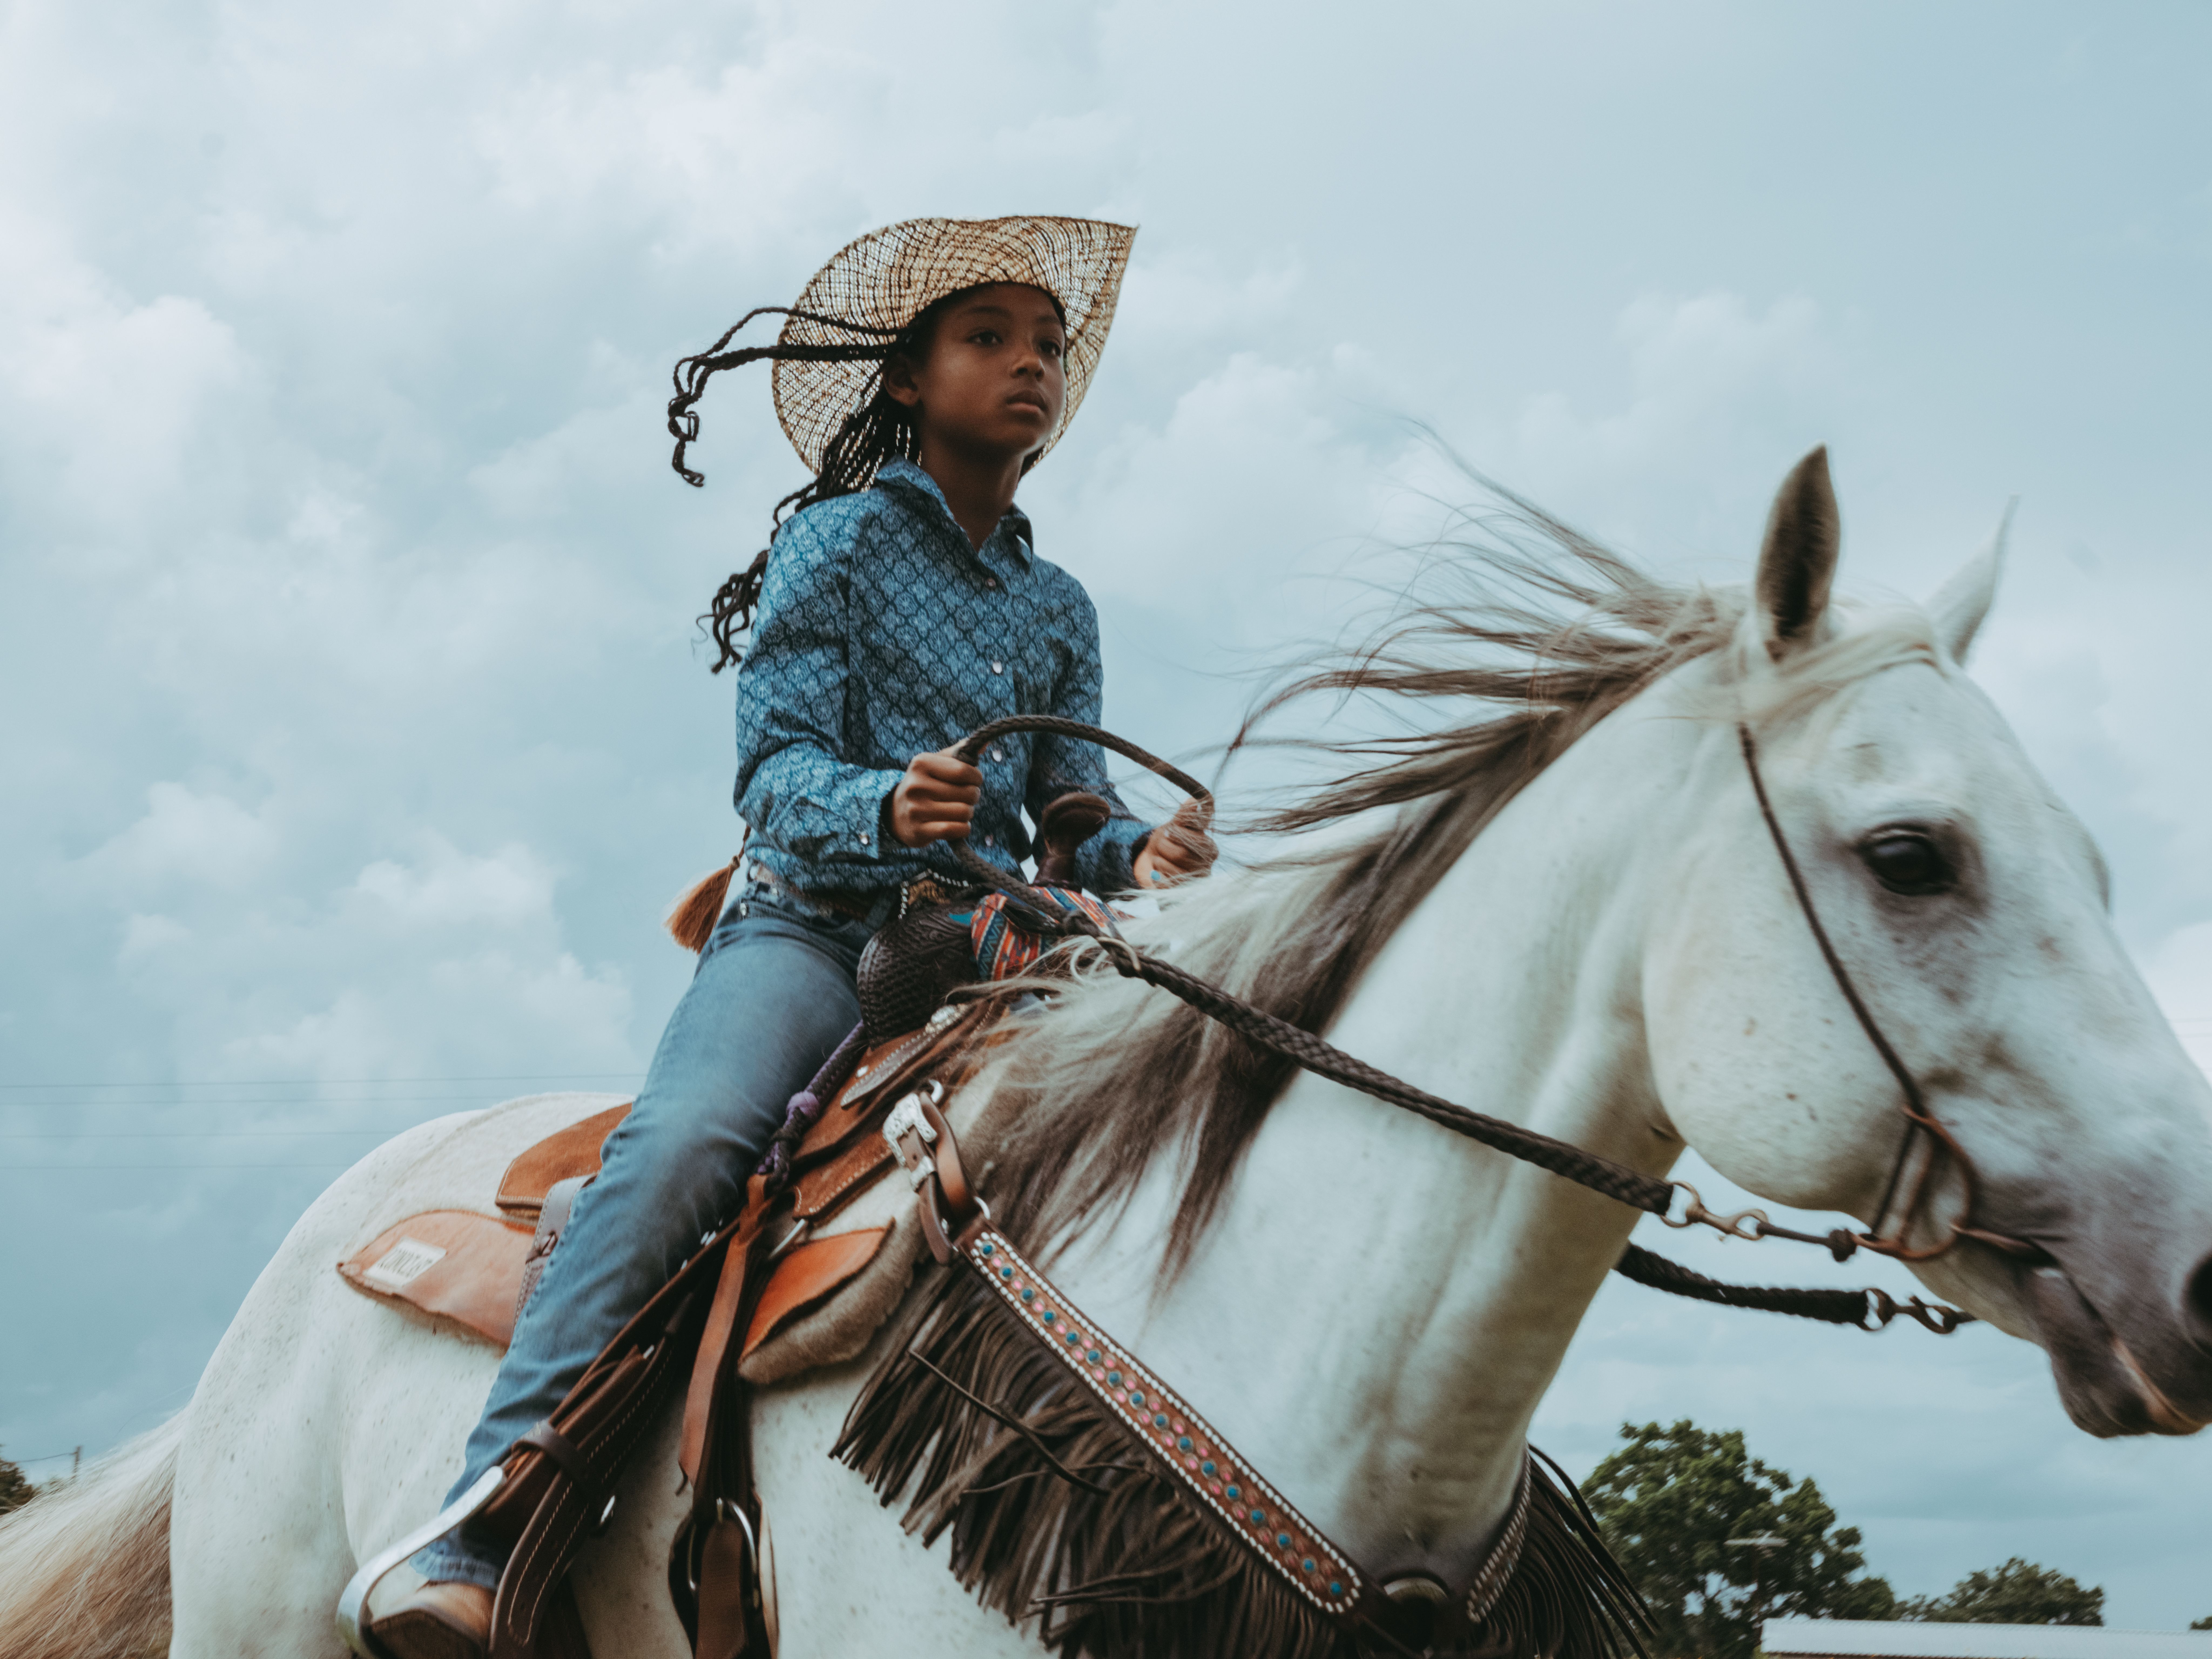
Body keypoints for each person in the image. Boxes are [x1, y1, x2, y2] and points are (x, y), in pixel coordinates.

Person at [376, 216, 1215, 1656]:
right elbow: (771, 774)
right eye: (989, 339)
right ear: (907, 378)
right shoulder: (831, 547)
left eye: (1048, 347)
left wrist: (1145, 850)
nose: (1030, 366)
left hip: (999, 959)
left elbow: (1074, 816)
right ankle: (486, 1520)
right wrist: (890, 803)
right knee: (690, 1143)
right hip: (813, 933)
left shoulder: (1058, 601)